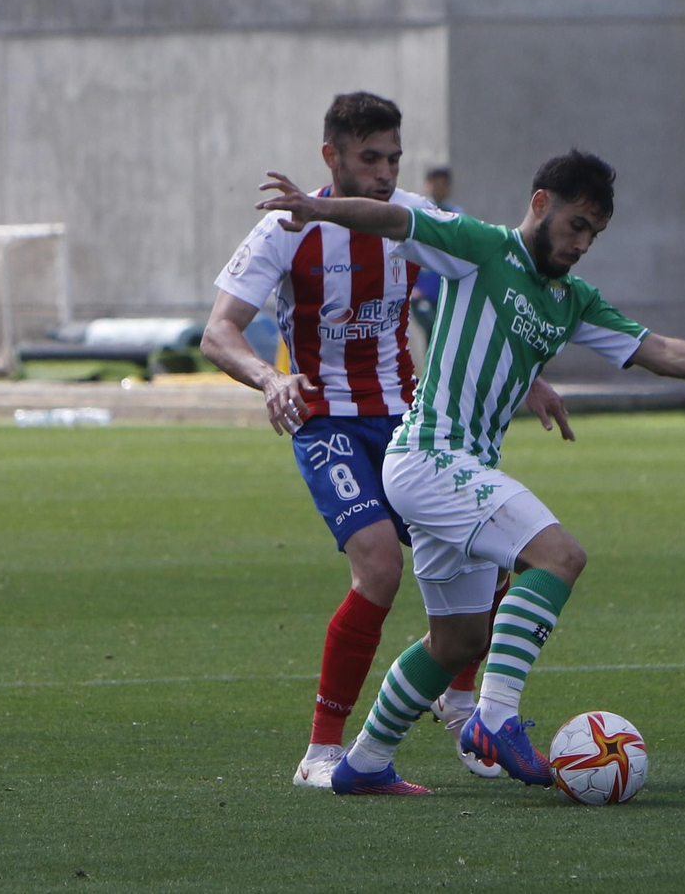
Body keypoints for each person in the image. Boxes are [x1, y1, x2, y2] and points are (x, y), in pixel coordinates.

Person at [254, 148, 685, 794]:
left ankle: (365, 763)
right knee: (559, 556)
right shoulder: (480, 247)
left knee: (459, 639)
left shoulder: (572, 299)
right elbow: (390, 219)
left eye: (595, 235)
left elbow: (657, 349)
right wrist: (315, 207)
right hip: (430, 455)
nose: (583, 244)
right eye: (578, 225)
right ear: (542, 203)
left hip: (454, 469)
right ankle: (494, 719)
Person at [201, 92, 574, 789]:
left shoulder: (415, 222)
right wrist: (267, 378)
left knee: (491, 549)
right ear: (331, 156)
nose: (382, 172)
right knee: (378, 567)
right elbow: (217, 331)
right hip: (327, 423)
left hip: (408, 422)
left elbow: (492, 287)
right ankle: (321, 751)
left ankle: (462, 706)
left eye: (393, 158)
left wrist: (527, 375)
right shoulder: (288, 227)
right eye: (369, 158)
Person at [407, 167, 461, 342]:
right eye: (434, 184)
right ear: (427, 185)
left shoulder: (457, 216)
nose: (438, 189)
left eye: (442, 185)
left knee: (446, 337)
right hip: (422, 292)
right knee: (432, 331)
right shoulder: (418, 213)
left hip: (447, 291)